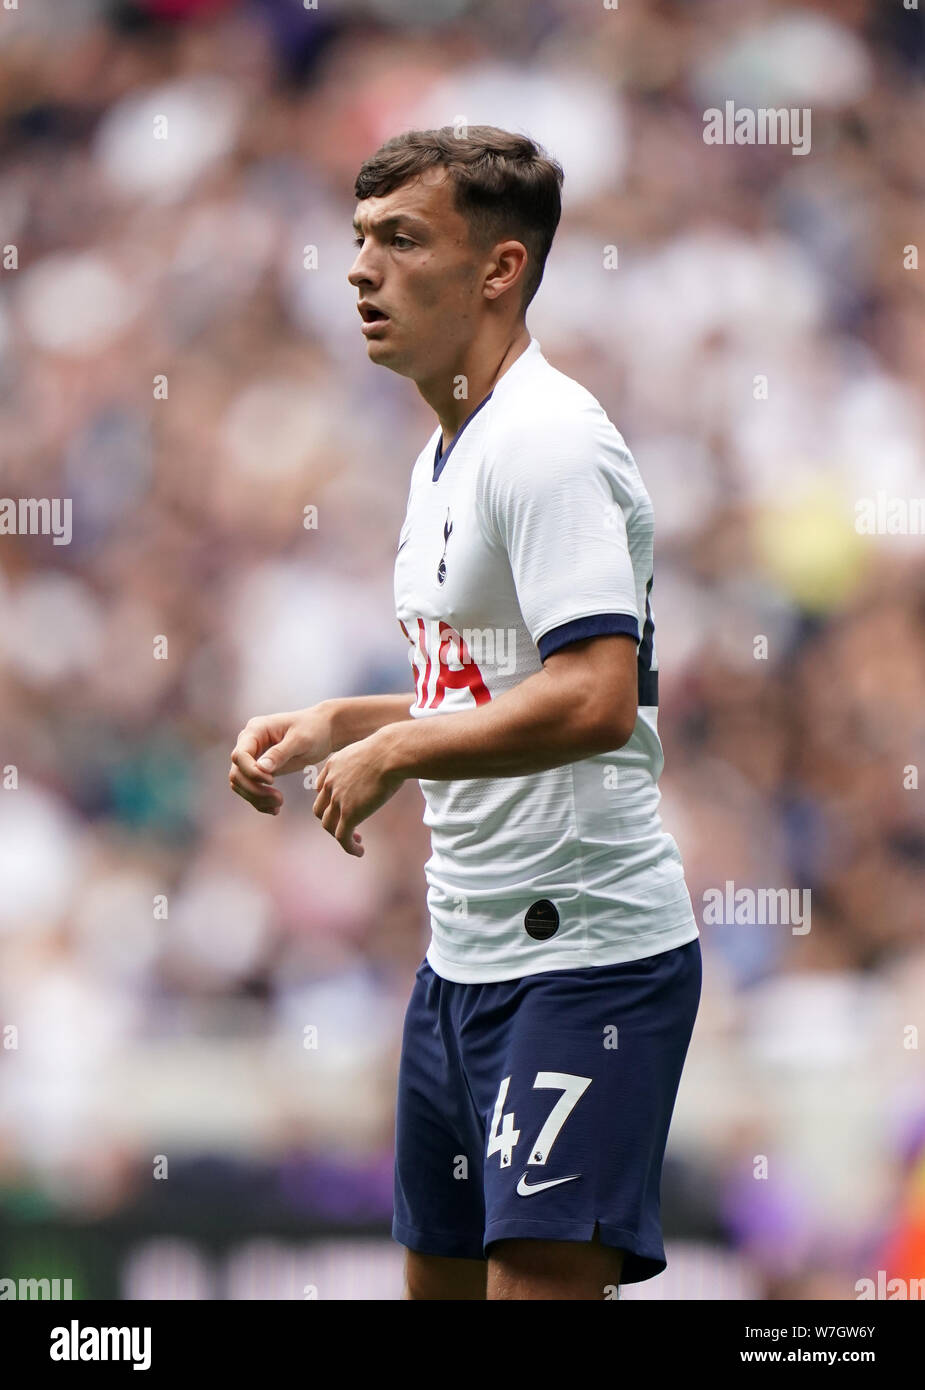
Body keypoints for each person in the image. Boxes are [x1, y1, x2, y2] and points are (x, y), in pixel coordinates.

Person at [229, 126, 701, 1301]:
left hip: (584, 965)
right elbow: (491, 688)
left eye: (399, 239)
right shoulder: (449, 447)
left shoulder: (542, 442)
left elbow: (596, 698)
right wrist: (344, 719)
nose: (359, 269)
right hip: (463, 960)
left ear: (498, 269)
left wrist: (398, 746)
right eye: (357, 240)